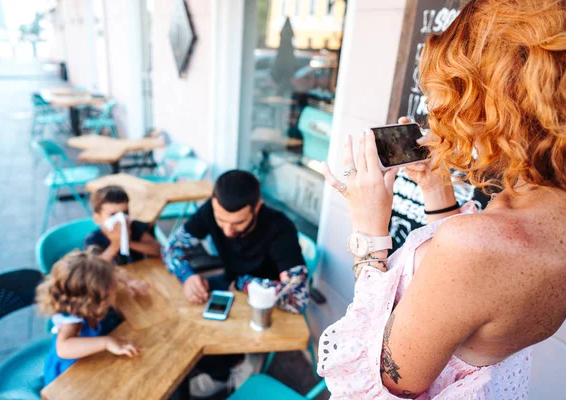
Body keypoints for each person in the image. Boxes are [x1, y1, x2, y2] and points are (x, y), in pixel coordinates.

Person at [319, 0, 566, 398]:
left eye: (452, 92)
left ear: (496, 102)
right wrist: (437, 192)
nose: (438, 112)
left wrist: (369, 235)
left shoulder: (481, 244)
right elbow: (470, 297)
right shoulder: (535, 208)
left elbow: (383, 384)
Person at [164, 169, 309, 397]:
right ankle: (222, 373)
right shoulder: (211, 210)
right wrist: (187, 275)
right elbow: (172, 248)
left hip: (269, 303)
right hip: (230, 283)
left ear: (257, 208)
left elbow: (298, 296)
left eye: (238, 222)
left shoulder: (281, 228)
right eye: (221, 220)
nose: (227, 230)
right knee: (182, 318)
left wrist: (244, 283)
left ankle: (243, 365)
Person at [36, 249, 140, 386]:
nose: (114, 292)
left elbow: (115, 272)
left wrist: (129, 282)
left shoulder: (89, 306)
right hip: (67, 379)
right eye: (109, 293)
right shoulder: (73, 321)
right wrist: (106, 342)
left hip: (89, 363)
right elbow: (63, 348)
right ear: (90, 301)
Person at [85, 185, 161, 266]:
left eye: (125, 213)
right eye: (113, 214)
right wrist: (116, 244)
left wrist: (127, 242)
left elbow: (158, 250)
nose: (121, 219)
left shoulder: (135, 227)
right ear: (98, 218)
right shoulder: (93, 239)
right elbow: (94, 268)